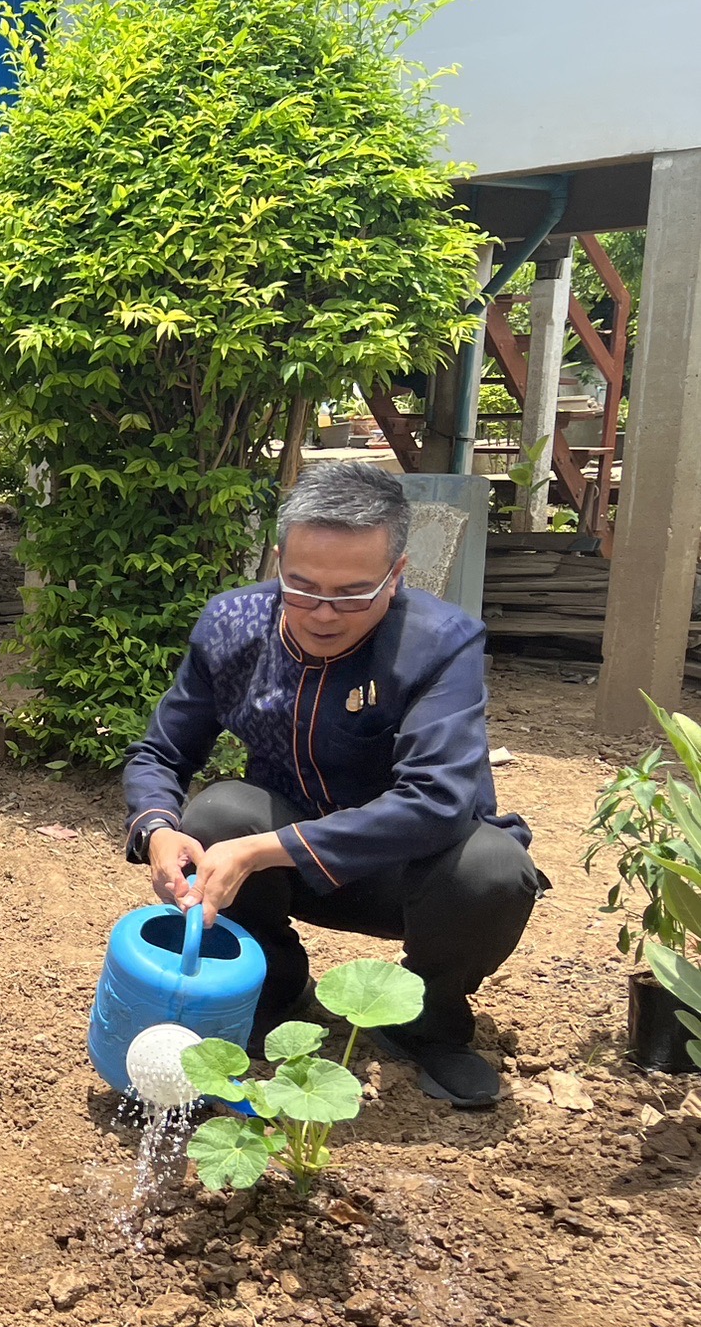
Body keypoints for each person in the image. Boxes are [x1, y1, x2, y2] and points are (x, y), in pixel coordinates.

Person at [123, 461, 542, 1109]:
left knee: (491, 867)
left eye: (351, 593)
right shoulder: (232, 627)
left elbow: (436, 802)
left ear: (396, 575)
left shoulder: (437, 644)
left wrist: (263, 849)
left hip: (411, 879)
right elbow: (161, 752)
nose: (321, 613)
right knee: (218, 814)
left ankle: (428, 1023)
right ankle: (275, 989)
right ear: (278, 561)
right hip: (283, 876)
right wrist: (155, 827)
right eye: (300, 587)